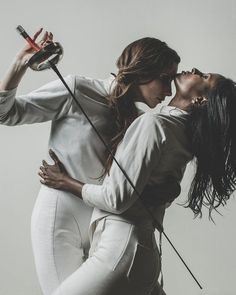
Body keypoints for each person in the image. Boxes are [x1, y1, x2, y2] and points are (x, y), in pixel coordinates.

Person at [0, 29, 181, 295]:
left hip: (105, 219)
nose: (168, 90)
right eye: (164, 80)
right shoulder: (77, 89)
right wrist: (20, 63)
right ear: (143, 71)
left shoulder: (142, 123)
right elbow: (6, 113)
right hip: (62, 216)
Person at [39, 68, 236, 295]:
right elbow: (155, 190)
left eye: (203, 77)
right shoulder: (182, 136)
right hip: (137, 253)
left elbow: (116, 200)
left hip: (122, 251)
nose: (194, 70)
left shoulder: (156, 124)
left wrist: (65, 181)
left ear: (200, 99)